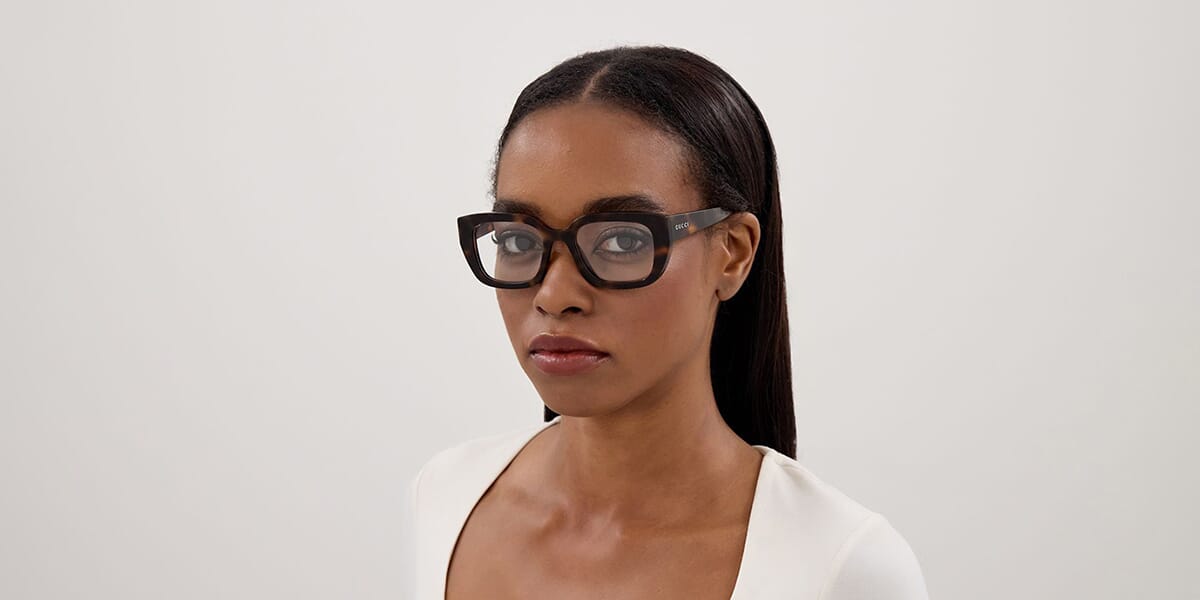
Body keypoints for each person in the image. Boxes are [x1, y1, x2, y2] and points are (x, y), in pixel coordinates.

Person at [404, 45, 930, 599]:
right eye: (517, 240)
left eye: (622, 240)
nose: (555, 296)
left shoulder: (840, 566)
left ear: (732, 253)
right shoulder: (445, 497)